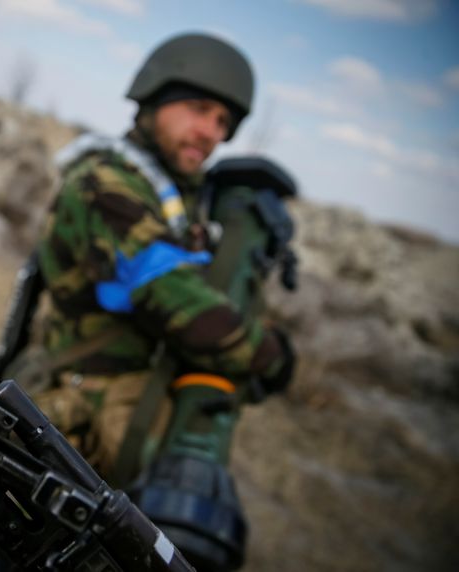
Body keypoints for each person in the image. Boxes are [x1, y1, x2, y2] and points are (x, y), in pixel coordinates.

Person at [29, 32, 297, 572]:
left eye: (224, 123)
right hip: (89, 425)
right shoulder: (104, 181)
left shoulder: (177, 198)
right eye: (199, 109)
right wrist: (270, 356)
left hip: (140, 421)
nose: (211, 133)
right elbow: (174, 300)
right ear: (153, 96)